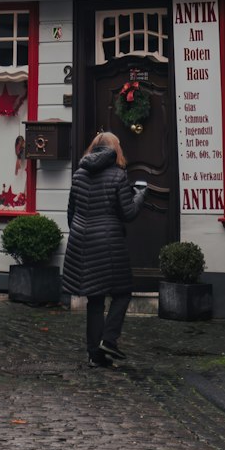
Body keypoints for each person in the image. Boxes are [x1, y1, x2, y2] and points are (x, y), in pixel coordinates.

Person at [62, 131, 146, 368]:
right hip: (108, 242)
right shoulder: (118, 176)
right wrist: (140, 195)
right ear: (115, 150)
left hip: (81, 241)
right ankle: (109, 340)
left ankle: (94, 355)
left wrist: (81, 233)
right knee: (123, 291)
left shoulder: (78, 174)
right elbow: (128, 213)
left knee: (95, 299)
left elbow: (71, 212)